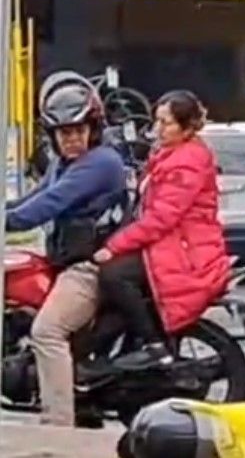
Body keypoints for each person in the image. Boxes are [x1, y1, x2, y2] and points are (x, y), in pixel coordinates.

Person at [3, 73, 127, 426]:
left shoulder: (101, 162)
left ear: (92, 127)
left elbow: (48, 205)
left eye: (78, 130)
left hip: (88, 267)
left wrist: (10, 221)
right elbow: (32, 198)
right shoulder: (63, 164)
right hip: (65, 260)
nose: (72, 138)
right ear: (54, 137)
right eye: (64, 133)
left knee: (47, 331)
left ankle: (57, 424)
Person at [92, 90, 232, 371]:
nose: (157, 129)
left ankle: (153, 344)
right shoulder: (169, 153)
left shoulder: (187, 160)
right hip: (169, 244)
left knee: (114, 275)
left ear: (187, 126)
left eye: (165, 123)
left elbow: (161, 218)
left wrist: (114, 246)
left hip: (184, 252)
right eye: (157, 121)